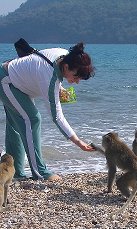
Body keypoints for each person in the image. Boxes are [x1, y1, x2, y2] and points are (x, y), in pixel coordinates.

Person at [0, 42, 96, 181]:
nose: (76, 82)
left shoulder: (64, 55)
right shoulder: (50, 78)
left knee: (16, 124)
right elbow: (57, 117)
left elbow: (48, 69)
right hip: (6, 81)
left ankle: (12, 172)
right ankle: (40, 172)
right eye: (76, 77)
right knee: (32, 119)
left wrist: (60, 87)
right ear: (66, 67)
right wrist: (78, 142)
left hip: (12, 76)